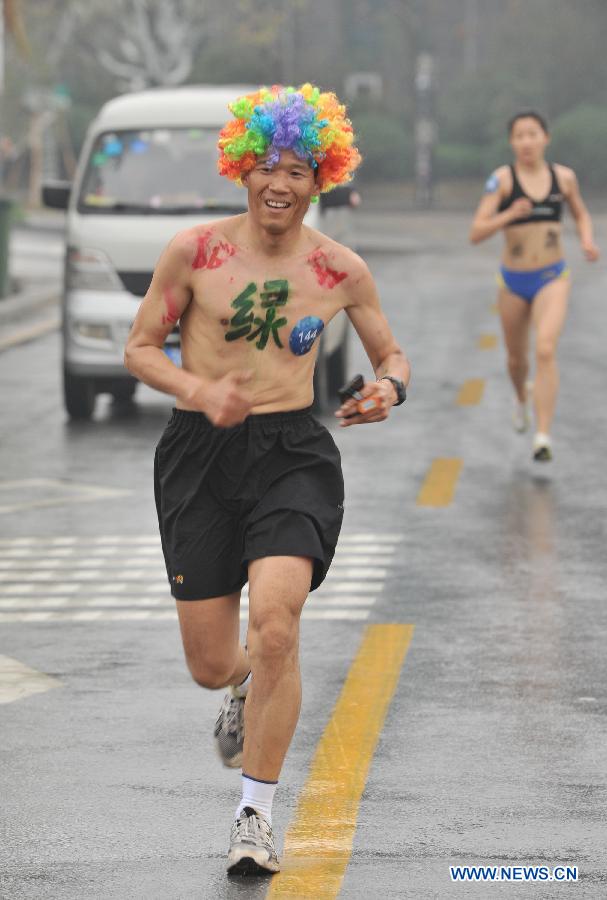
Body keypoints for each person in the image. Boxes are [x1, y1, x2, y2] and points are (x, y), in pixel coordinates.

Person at [124, 83, 410, 876]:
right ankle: (241, 687)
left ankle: (253, 814)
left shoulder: (339, 268)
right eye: (267, 166)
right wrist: (197, 389)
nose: (280, 182)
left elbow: (391, 354)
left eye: (298, 170)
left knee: (278, 626)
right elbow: (140, 348)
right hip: (200, 452)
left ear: (321, 181)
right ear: (243, 171)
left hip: (292, 453)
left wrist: (388, 388)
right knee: (214, 662)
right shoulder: (193, 252)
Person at [469, 110, 599, 461]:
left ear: (546, 138)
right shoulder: (503, 180)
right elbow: (476, 231)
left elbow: (581, 213)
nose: (527, 141)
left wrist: (587, 240)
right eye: (519, 136)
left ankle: (543, 435)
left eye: (533, 134)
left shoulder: (564, 178)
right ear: (512, 142)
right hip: (513, 281)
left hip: (552, 277)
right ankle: (522, 397)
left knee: (544, 349)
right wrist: (509, 215)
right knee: (516, 360)